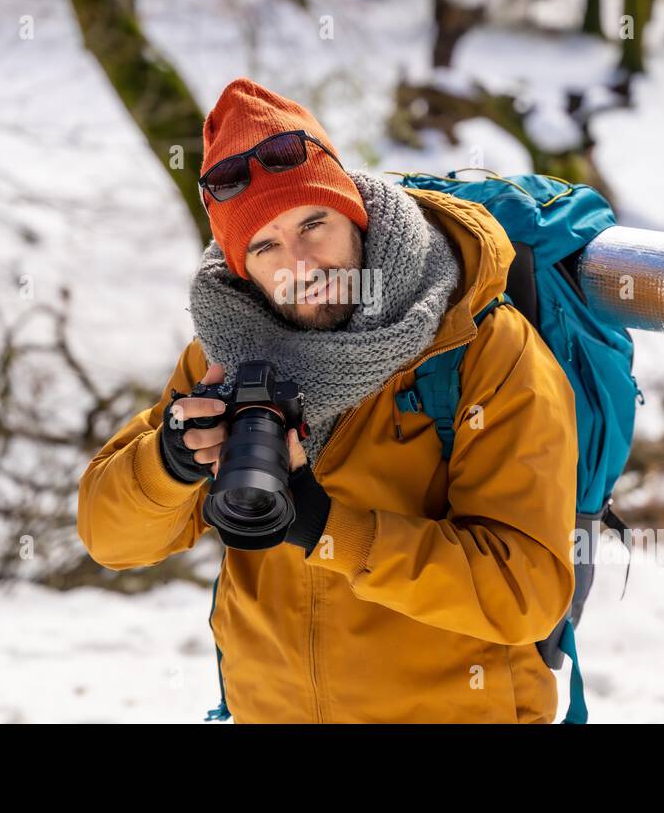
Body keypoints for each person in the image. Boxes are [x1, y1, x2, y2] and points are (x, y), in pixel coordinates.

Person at [77, 76, 579, 723]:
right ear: (241, 269)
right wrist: (169, 463)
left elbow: (526, 591)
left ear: (356, 214)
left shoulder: (480, 347)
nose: (302, 264)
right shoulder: (230, 351)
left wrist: (330, 530)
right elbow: (108, 536)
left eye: (314, 223)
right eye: (265, 245)